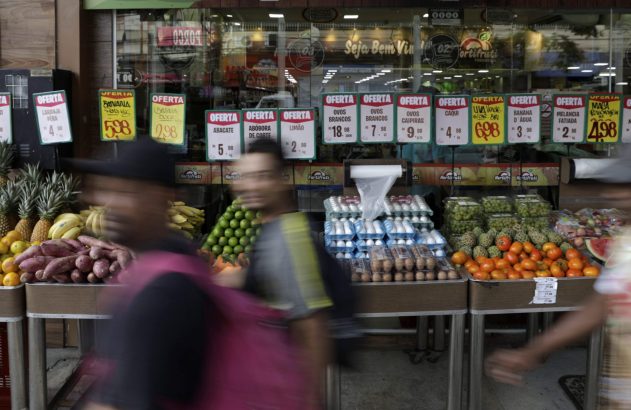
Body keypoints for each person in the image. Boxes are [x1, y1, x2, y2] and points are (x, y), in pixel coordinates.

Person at [486, 147, 631, 409]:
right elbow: (601, 305)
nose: (613, 194)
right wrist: (533, 350)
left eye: (625, 187)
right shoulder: (626, 243)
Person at [75, 138, 214, 410]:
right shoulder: (174, 257)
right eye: (106, 190)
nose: (110, 204)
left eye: (127, 192)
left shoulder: (160, 295)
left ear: (163, 199)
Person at [231, 138, 333, 409]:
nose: (250, 186)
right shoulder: (266, 227)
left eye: (261, 176)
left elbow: (312, 326)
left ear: (280, 181)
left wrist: (310, 399)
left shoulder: (290, 237)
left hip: (286, 388)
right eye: (245, 176)